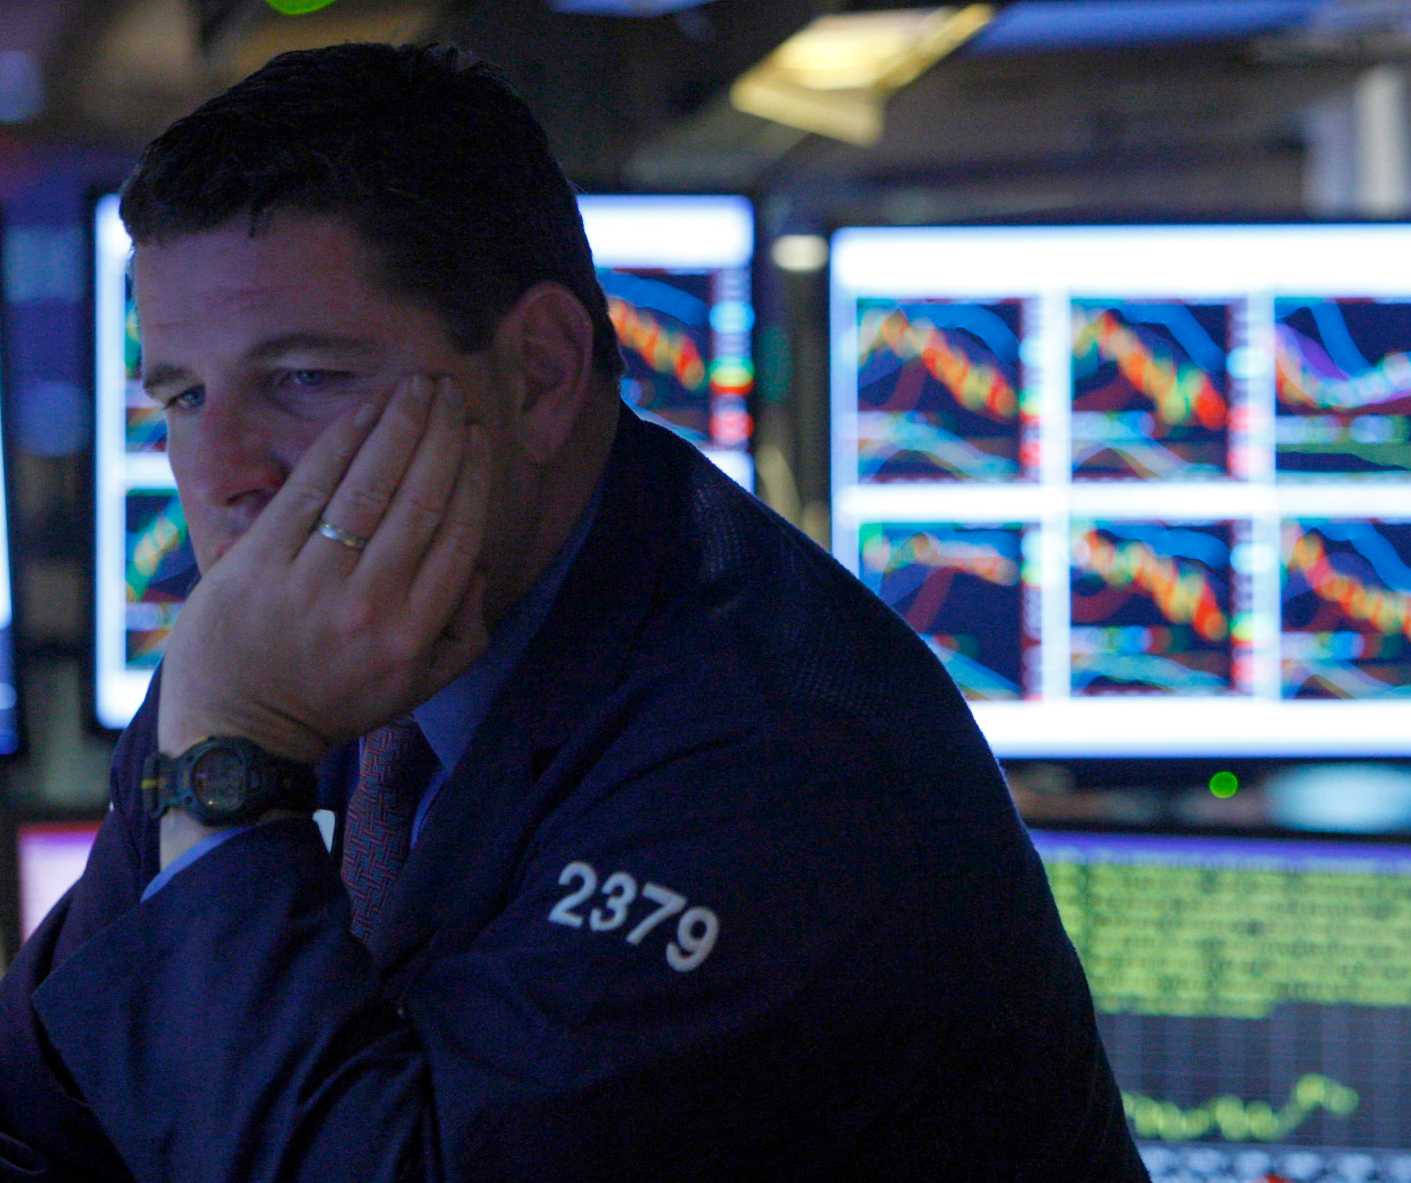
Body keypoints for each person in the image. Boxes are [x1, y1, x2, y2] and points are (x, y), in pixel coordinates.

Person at [0, 42, 1147, 1181]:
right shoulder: (282, 645)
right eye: (186, 395)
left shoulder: (780, 759)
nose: (226, 469)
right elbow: (37, 1110)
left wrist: (231, 765)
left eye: (304, 377)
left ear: (541, 370)